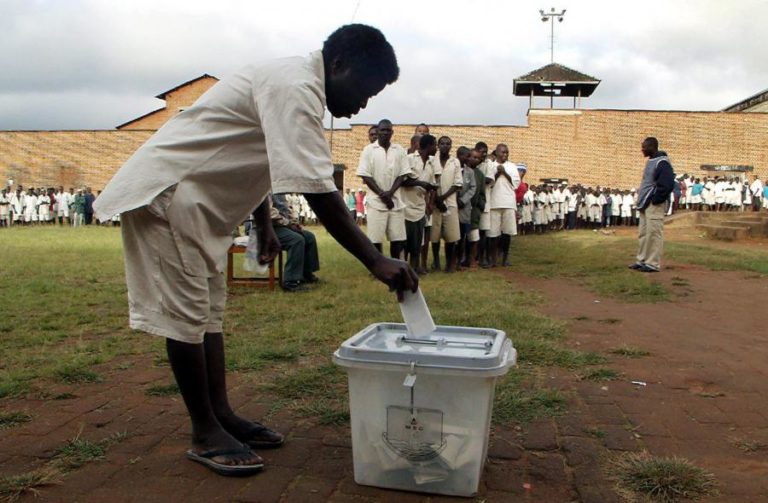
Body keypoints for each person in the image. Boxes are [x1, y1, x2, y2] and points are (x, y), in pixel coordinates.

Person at [93, 24, 416, 477]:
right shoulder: (295, 86)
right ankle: (204, 431)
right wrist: (375, 259)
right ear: (339, 66)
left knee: (208, 313)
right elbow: (319, 191)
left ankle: (221, 414)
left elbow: (262, 157)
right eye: (366, 90)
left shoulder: (296, 86)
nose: (363, 104)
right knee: (187, 317)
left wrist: (263, 224)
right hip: (168, 196)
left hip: (198, 207)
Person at [357, 118, 410, 259]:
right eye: (382, 130)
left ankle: (397, 265)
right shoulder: (368, 150)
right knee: (375, 239)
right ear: (378, 132)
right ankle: (378, 267)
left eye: (388, 130)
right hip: (376, 201)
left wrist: (390, 193)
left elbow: (403, 174)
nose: (385, 133)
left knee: (397, 239)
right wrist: (382, 194)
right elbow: (366, 176)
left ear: (392, 132)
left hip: (395, 202)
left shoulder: (399, 150)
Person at [629, 137, 674, 273]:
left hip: (653, 204)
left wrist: (655, 200)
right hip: (645, 204)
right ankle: (642, 259)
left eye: (644, 147)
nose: (642, 149)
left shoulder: (662, 163)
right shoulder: (651, 161)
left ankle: (652, 263)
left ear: (652, 147)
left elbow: (667, 184)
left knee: (654, 234)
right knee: (643, 233)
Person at [400, 134, 437, 274]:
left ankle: (415, 268)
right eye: (435, 145)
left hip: (420, 208)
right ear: (428, 146)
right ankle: (404, 269)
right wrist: (419, 183)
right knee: (405, 242)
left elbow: (432, 185)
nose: (436, 148)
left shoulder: (431, 164)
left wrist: (430, 203)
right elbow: (401, 181)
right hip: (406, 207)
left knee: (417, 242)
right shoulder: (409, 159)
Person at [270, 193, 320, 292]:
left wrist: (294, 223)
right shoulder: (263, 190)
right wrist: (288, 224)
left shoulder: (279, 191)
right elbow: (270, 214)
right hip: (267, 229)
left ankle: (305, 274)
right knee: (296, 240)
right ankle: (290, 282)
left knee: (309, 237)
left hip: (281, 226)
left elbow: (286, 209)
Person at [430, 136, 463, 272]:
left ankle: (449, 263)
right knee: (435, 235)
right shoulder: (432, 160)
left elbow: (457, 184)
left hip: (450, 203)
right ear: (438, 145)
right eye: (442, 143)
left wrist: (443, 197)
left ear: (451, 146)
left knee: (451, 236)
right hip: (434, 204)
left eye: (448, 144)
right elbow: (430, 180)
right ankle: (436, 261)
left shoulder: (455, 162)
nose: (445, 146)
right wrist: (437, 199)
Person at [487, 144, 520, 267]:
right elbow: (488, 184)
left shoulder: (511, 166)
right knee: (493, 234)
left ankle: (505, 258)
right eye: (502, 152)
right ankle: (493, 259)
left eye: (507, 152)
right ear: (496, 153)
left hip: (508, 203)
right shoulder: (490, 165)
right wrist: (497, 173)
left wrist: (504, 172)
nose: (505, 155)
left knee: (507, 233)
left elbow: (515, 184)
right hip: (494, 203)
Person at [456, 146, 476, 269]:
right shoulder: (452, 167)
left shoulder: (470, 171)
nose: (469, 159)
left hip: (464, 207)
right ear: (459, 156)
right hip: (452, 205)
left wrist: (463, 200)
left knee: (463, 236)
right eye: (467, 156)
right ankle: (452, 260)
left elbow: (473, 188)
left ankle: (460, 260)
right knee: (453, 237)